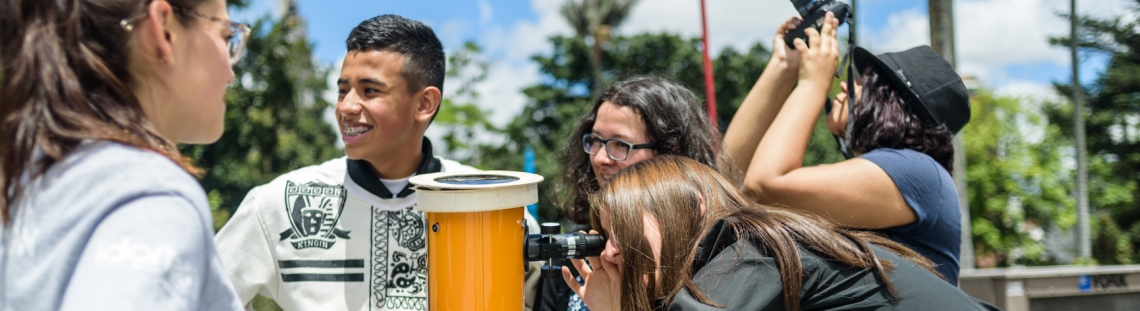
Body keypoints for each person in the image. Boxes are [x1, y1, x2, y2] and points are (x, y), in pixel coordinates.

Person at [213, 14, 539, 311]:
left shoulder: (493, 205)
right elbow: (195, 295)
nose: (347, 107)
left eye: (369, 91)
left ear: (424, 104)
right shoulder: (278, 203)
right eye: (343, 91)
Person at [0, 0, 247, 309]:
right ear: (165, 30)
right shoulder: (152, 197)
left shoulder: (27, 182)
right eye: (227, 36)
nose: (231, 73)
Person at [565, 155, 999, 311]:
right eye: (605, 236)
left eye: (622, 229)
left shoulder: (750, 246)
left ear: (690, 209)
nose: (611, 252)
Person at [723, 13, 971, 284]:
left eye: (864, 83)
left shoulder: (919, 170)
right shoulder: (892, 175)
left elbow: (764, 184)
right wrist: (783, 67)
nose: (845, 84)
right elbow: (729, 176)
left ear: (891, 105)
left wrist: (813, 83)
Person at [534, 76, 734, 311]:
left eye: (620, 144)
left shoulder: (715, 258)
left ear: (671, 154)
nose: (600, 158)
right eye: (596, 140)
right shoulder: (571, 251)